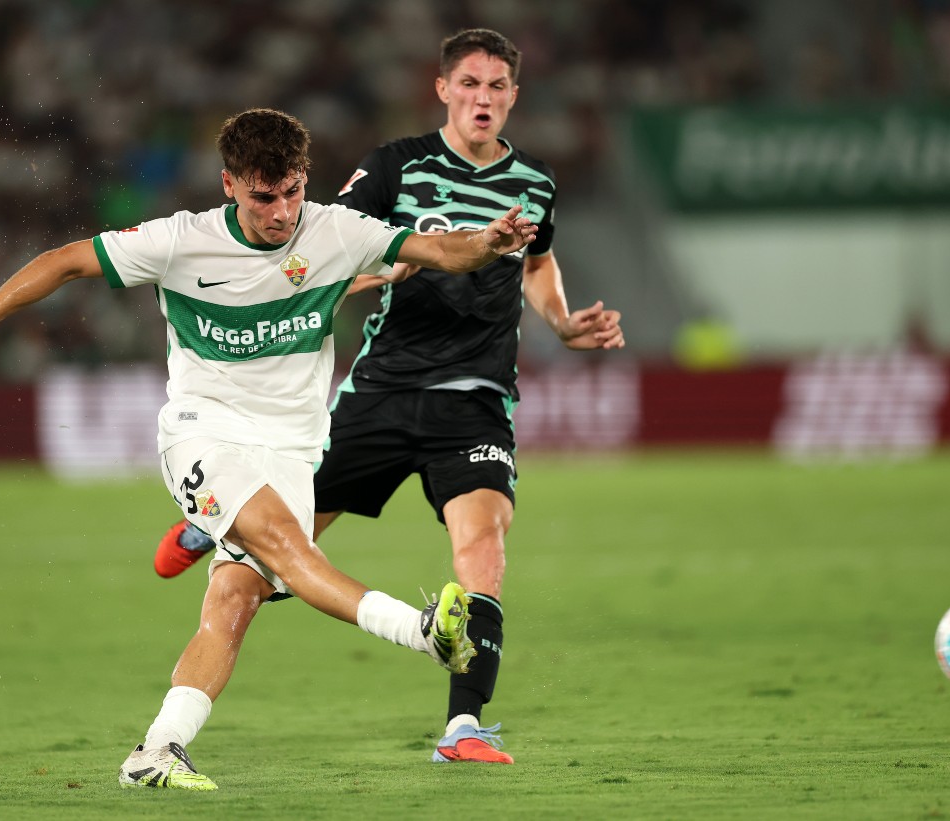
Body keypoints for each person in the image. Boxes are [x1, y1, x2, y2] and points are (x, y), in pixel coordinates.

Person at [0, 107, 541, 790]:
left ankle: (155, 750)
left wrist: (493, 240)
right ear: (230, 183)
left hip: (291, 449)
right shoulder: (181, 240)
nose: (282, 210)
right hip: (205, 431)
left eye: (292, 190)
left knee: (234, 602)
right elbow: (66, 262)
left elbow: (442, 251)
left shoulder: (336, 231)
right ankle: (424, 632)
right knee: (293, 552)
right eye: (264, 195)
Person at [156, 29, 624, 765]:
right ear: (443, 89)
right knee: (271, 558)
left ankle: (462, 726)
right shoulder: (395, 166)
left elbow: (538, 262)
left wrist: (563, 321)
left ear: (513, 98)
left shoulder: (534, 181)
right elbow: (317, 255)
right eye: (469, 83)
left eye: (497, 86)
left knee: (483, 546)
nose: (482, 98)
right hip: (379, 389)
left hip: (475, 396)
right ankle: (211, 524)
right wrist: (387, 272)